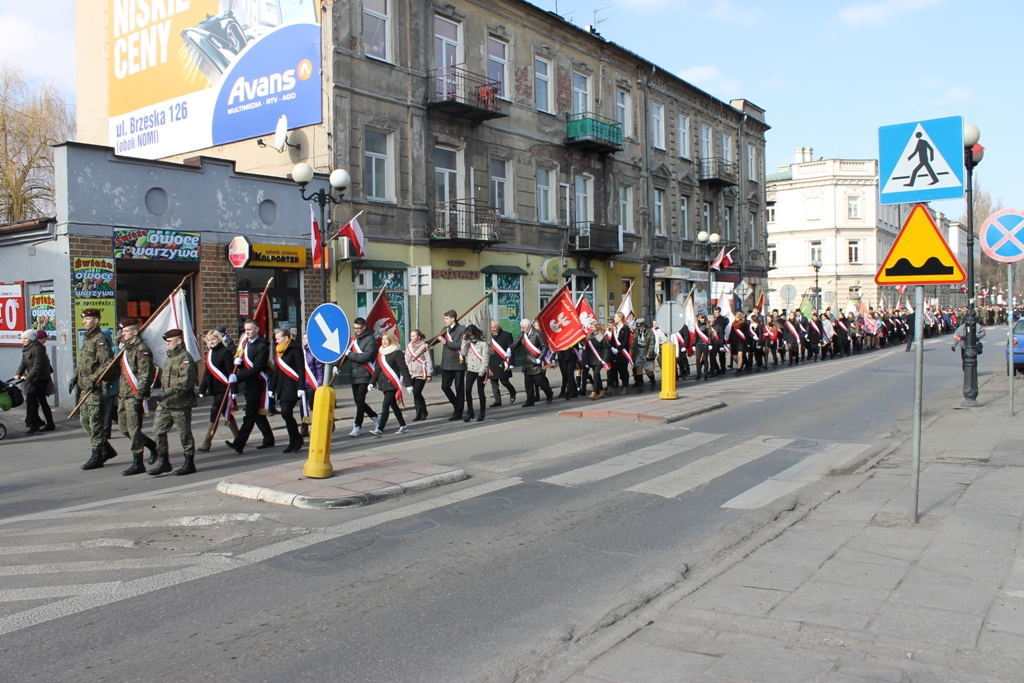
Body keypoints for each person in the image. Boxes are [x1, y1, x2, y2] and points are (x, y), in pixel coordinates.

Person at [148, 329, 198, 476]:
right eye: (167, 342)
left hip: (180, 404)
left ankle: (189, 462)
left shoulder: (185, 358)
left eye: (170, 341)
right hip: (166, 404)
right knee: (158, 431)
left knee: (184, 434)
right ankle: (163, 462)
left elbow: (186, 381)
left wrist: (167, 391)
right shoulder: (169, 358)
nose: (167, 344)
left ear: (179, 341)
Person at [114, 318, 158, 476]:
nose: (123, 334)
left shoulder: (141, 349)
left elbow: (145, 375)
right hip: (124, 394)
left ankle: (138, 462)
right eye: (122, 331)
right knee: (124, 428)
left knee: (134, 429)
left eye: (126, 331)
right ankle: (152, 445)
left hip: (134, 394)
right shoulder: (125, 348)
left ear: (135, 331)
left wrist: (139, 396)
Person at [225, 318, 276, 453]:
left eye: (249, 329)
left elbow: (257, 368)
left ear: (256, 330)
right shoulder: (245, 343)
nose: (246, 332)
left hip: (257, 383)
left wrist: (238, 378)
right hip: (247, 383)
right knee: (257, 414)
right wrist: (238, 362)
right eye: (245, 329)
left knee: (250, 414)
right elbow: (244, 363)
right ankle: (269, 439)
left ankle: (239, 443)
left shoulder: (262, 346)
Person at [78, 308, 118, 470]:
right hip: (84, 387)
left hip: (95, 388)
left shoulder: (100, 338)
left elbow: (107, 363)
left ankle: (97, 455)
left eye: (87, 319)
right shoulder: (88, 338)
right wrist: (75, 377)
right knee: (85, 420)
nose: (84, 322)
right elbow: (84, 362)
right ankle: (106, 449)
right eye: (84, 319)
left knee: (95, 422)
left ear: (96, 320)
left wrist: (94, 378)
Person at [196, 329, 238, 453]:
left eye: (213, 339)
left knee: (215, 411)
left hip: (224, 388)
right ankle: (238, 435)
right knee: (226, 412)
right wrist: (202, 388)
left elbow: (231, 372)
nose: (211, 342)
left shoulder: (225, 352)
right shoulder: (209, 354)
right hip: (215, 388)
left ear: (219, 339)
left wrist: (234, 389)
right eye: (209, 340)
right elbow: (207, 373)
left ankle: (207, 441)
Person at [369, 331, 413, 436]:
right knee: (393, 405)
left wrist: (409, 383)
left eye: (386, 339)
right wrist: (372, 382)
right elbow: (378, 370)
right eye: (383, 339)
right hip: (384, 384)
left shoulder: (397, 352)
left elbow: (403, 368)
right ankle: (403, 425)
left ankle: (380, 429)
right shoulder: (381, 353)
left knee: (385, 406)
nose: (384, 341)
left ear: (391, 340)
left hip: (392, 383)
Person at [13, 329, 54, 434]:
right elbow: (23, 363)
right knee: (41, 400)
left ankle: (35, 424)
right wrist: (18, 374)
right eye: (22, 338)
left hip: (41, 378)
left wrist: (28, 377)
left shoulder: (37, 348)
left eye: (25, 338)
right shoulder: (27, 348)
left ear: (31, 338)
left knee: (31, 398)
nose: (23, 340)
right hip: (34, 378)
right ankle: (48, 423)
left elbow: (38, 366)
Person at [271, 327, 305, 453]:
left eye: (278, 338)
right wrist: (271, 388)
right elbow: (276, 371)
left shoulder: (294, 349)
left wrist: (301, 386)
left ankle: (294, 439)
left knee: (285, 413)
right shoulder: (279, 351)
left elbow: (301, 369)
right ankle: (295, 439)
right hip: (281, 386)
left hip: (292, 386)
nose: (276, 341)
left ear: (286, 338)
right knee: (286, 415)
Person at [346, 317, 380, 437]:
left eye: (359, 328)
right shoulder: (353, 339)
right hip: (354, 374)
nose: (357, 330)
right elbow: (346, 354)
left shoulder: (370, 339)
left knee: (360, 400)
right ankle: (375, 416)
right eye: (355, 328)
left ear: (364, 327)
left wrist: (350, 354)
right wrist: (336, 366)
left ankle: (357, 426)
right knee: (358, 401)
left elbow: (366, 356)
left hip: (365, 375)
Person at [435, 310, 466, 420]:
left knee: (459, 389)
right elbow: (436, 338)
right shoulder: (445, 329)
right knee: (445, 387)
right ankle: (457, 405)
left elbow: (461, 345)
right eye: (445, 318)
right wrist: (426, 343)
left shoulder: (462, 330)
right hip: (446, 364)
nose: (445, 320)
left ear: (453, 319)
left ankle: (458, 413)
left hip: (457, 363)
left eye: (447, 318)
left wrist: (446, 343)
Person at [519, 318, 553, 406]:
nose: (522, 329)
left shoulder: (537, 333)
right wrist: (509, 349)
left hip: (536, 363)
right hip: (527, 363)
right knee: (528, 384)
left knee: (540, 382)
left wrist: (540, 358)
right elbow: (516, 343)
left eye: (523, 327)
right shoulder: (523, 334)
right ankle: (530, 400)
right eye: (521, 327)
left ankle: (549, 394)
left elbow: (544, 346)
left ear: (529, 326)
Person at [461, 324, 490, 422]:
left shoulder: (483, 343)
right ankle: (470, 412)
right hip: (470, 369)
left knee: (480, 392)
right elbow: (463, 353)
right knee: (468, 390)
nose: (471, 337)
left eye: (472, 335)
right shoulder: (468, 342)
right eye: (469, 335)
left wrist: (482, 371)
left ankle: (482, 412)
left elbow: (485, 359)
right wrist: (464, 340)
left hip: (480, 370)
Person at [405, 329, 433, 421]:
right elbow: (406, 359)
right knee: (415, 394)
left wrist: (429, 374)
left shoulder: (424, 346)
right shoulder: (409, 346)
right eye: (410, 336)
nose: (411, 337)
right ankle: (418, 413)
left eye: (413, 336)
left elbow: (428, 360)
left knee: (417, 392)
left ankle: (424, 411)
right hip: (411, 373)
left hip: (421, 373)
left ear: (418, 337)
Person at [488, 320, 517, 407]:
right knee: (493, 382)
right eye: (492, 328)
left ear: (499, 327)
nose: (493, 330)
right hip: (492, 362)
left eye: (495, 328)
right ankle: (497, 401)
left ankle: (512, 392)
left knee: (504, 381)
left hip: (503, 362)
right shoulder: (488, 336)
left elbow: (510, 350)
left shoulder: (507, 335)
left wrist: (510, 363)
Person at [300, 333, 324, 437]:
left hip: (312, 384)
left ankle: (323, 424)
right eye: (303, 338)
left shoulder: (315, 353)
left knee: (313, 406)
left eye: (307, 338)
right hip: (302, 384)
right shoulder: (301, 353)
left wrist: (319, 384)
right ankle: (304, 427)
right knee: (302, 406)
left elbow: (319, 370)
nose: (305, 340)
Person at [582, 323, 608, 399]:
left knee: (596, 374)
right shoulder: (589, 336)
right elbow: (587, 350)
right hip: (592, 359)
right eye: (590, 327)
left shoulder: (602, 337)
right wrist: (586, 362)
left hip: (600, 358)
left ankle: (594, 392)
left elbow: (606, 349)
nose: (591, 328)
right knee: (597, 375)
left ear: (597, 327)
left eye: (592, 327)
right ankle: (602, 391)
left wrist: (605, 359)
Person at [630, 318, 657, 392]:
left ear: (644, 325)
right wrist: (632, 352)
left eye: (640, 326)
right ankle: (640, 386)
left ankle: (652, 381)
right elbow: (634, 342)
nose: (639, 327)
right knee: (638, 368)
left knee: (649, 371)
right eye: (638, 326)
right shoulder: (637, 332)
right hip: (638, 351)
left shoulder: (649, 332)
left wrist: (649, 353)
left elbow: (652, 343)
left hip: (646, 350)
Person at [608, 312, 631, 394]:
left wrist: (618, 349)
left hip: (622, 353)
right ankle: (611, 387)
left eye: (615, 317)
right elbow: (613, 340)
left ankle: (625, 387)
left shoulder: (626, 328)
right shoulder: (615, 328)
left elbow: (625, 341)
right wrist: (611, 347)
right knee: (613, 370)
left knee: (623, 370)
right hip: (614, 353)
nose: (614, 318)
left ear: (620, 318)